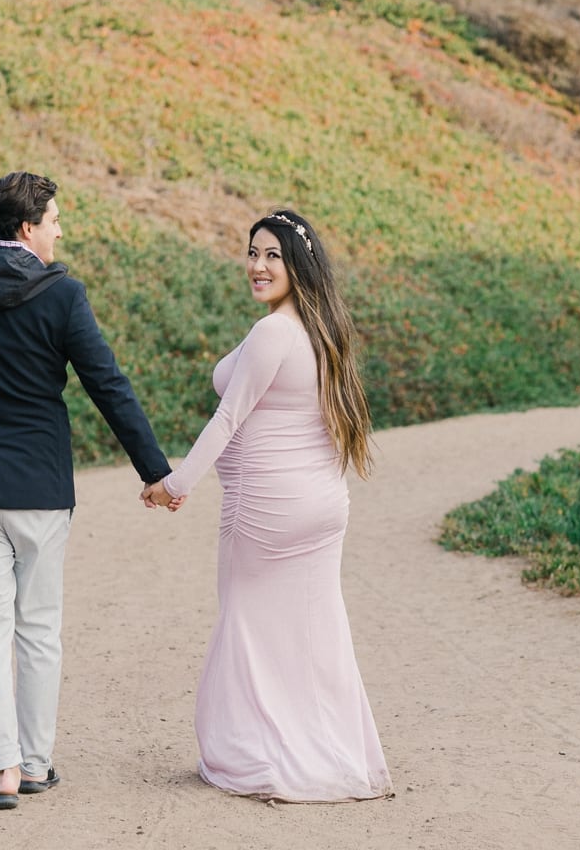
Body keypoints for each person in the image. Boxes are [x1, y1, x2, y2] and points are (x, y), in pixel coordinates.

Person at [0, 172, 173, 810]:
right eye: (52, 220)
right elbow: (108, 383)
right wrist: (154, 471)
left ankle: (4, 770)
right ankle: (38, 762)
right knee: (39, 628)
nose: (60, 230)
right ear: (25, 228)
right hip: (41, 485)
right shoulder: (62, 295)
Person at [142, 209, 392, 803]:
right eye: (252, 252)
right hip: (323, 505)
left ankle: (261, 755)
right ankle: (337, 753)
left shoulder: (274, 332)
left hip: (266, 508)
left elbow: (229, 418)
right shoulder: (322, 331)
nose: (257, 265)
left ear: (297, 263)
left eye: (272, 255)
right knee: (316, 629)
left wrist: (176, 484)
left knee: (249, 627)